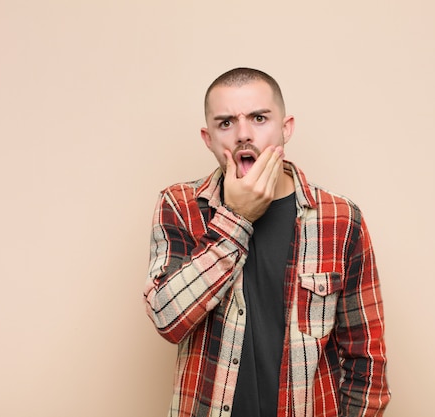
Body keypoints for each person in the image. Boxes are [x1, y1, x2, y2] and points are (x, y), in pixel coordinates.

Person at [143, 67, 390, 417]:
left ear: (285, 128)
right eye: (226, 123)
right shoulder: (180, 206)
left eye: (259, 118)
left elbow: (366, 358)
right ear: (208, 137)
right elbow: (167, 317)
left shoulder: (340, 218)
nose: (243, 135)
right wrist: (237, 218)